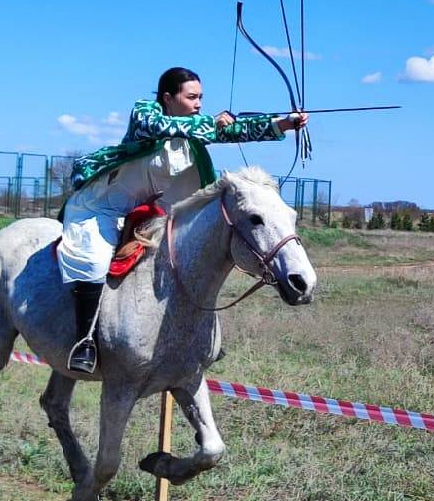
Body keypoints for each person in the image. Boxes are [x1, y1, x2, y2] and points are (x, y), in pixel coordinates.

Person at [57, 67, 307, 374]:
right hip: (105, 206)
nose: (199, 103)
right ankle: (85, 341)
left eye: (201, 97)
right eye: (191, 97)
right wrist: (209, 123)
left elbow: (235, 130)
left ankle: (191, 341)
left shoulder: (196, 129)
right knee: (94, 260)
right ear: (168, 98)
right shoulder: (146, 113)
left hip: (150, 213)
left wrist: (284, 123)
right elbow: (157, 125)